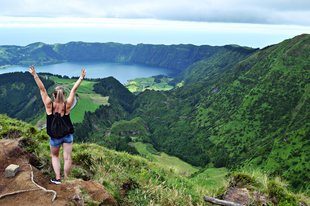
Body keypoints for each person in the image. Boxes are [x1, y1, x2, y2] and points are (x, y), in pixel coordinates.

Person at [29, 65, 86, 184]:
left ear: (54, 96)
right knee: (67, 158)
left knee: (55, 156)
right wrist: (81, 77)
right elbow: (74, 90)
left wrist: (35, 75)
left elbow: (42, 89)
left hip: (54, 136)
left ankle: (57, 178)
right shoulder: (68, 105)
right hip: (67, 134)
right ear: (64, 95)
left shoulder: (49, 104)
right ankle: (66, 178)